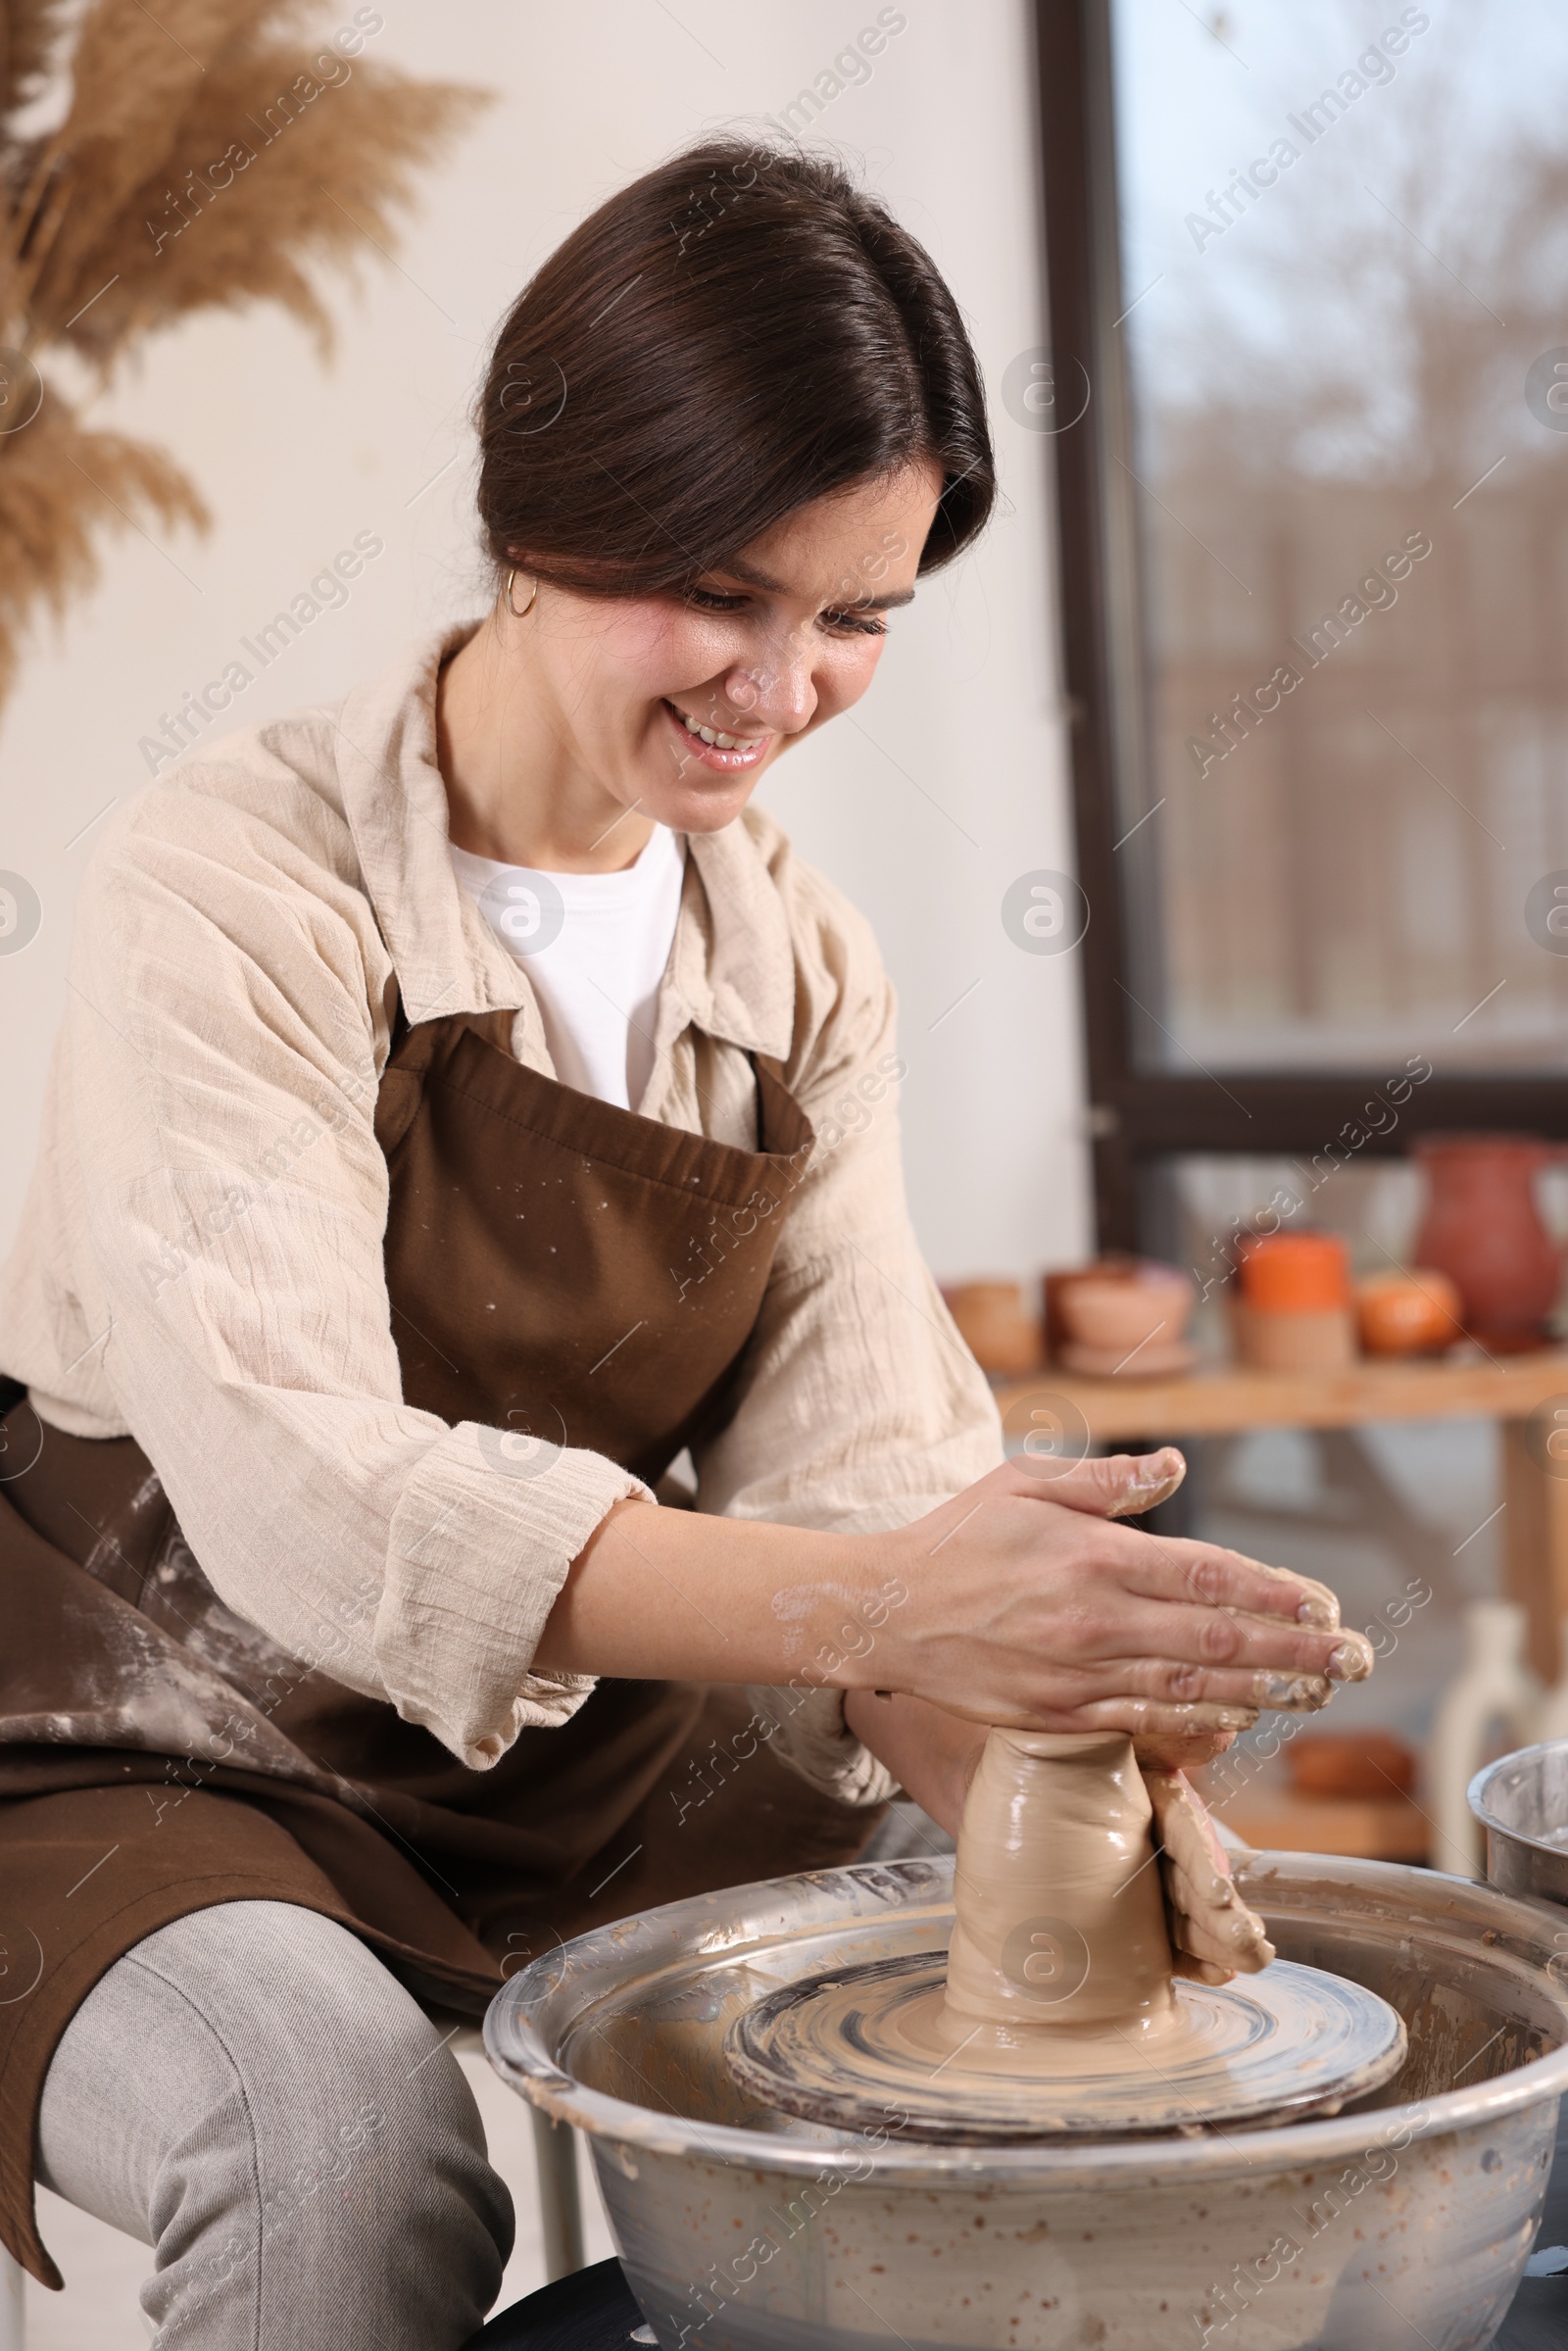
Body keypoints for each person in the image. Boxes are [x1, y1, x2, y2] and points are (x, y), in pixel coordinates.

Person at [0, 138, 1364, 2348]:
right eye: (724, 593)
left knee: (1027, 2026)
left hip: (595, 1758)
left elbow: (855, 1488)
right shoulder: (237, 881)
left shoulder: (798, 965)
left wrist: (1057, 1763)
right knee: (341, 2138)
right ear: (539, 524)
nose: (780, 684)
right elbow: (300, 1480)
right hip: (153, 1717)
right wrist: (891, 1597)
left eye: (854, 620)